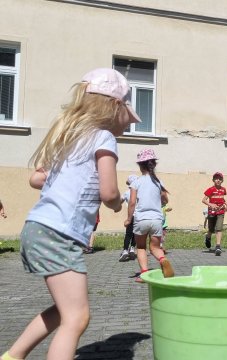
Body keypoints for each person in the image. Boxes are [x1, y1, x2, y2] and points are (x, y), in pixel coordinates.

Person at [1, 68, 140, 360]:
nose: (130, 125)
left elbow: (37, 179)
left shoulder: (72, 136)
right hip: (58, 234)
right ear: (115, 106)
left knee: (64, 311)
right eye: (129, 114)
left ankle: (13, 356)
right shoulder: (103, 137)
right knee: (77, 318)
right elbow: (109, 192)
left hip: (37, 228)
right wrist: (115, 204)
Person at [124, 148, 174, 283]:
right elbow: (165, 200)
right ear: (153, 164)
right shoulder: (158, 182)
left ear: (140, 165)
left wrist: (129, 219)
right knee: (155, 248)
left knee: (141, 247)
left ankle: (144, 274)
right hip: (157, 220)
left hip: (141, 219)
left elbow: (132, 202)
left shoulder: (136, 182)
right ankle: (163, 260)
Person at [202, 172, 227, 256]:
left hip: (221, 211)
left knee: (219, 228)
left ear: (222, 181)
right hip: (212, 212)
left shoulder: (223, 189)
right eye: (216, 179)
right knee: (211, 229)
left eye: (220, 179)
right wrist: (211, 205)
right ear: (213, 180)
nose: (218, 180)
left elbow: (222, 198)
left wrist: (226, 204)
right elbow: (204, 200)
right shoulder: (210, 189)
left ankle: (218, 246)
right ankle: (208, 237)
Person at [119, 174, 138, 262]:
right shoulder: (139, 192)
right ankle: (132, 248)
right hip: (139, 216)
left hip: (131, 216)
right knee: (135, 233)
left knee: (128, 234)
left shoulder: (126, 193)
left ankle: (125, 250)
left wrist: (116, 206)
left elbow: (120, 201)